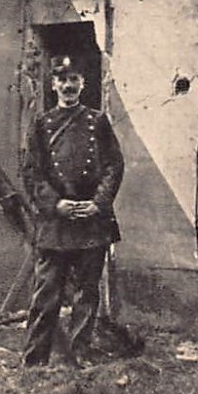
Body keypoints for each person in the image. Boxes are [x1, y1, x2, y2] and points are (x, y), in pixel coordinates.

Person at [20, 56, 124, 367]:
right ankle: (34, 359)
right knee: (46, 293)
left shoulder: (98, 121)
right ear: (53, 86)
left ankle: (81, 353)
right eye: (62, 80)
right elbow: (31, 172)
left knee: (86, 293)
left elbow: (114, 166)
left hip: (91, 220)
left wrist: (98, 203)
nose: (68, 86)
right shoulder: (41, 124)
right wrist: (56, 204)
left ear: (83, 84)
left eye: (74, 79)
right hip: (57, 223)